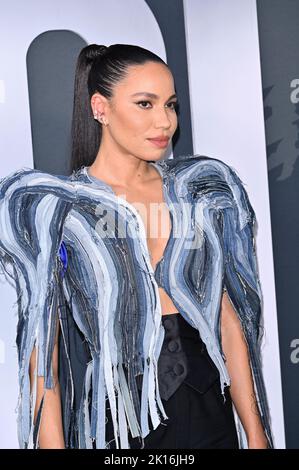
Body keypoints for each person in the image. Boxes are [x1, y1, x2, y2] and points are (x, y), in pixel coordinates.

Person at [0, 44, 273, 450]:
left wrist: (255, 433)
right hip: (117, 422)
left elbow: (225, 318)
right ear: (100, 108)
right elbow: (46, 350)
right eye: (145, 104)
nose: (164, 121)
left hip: (207, 411)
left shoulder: (198, 192)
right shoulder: (62, 210)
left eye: (170, 104)